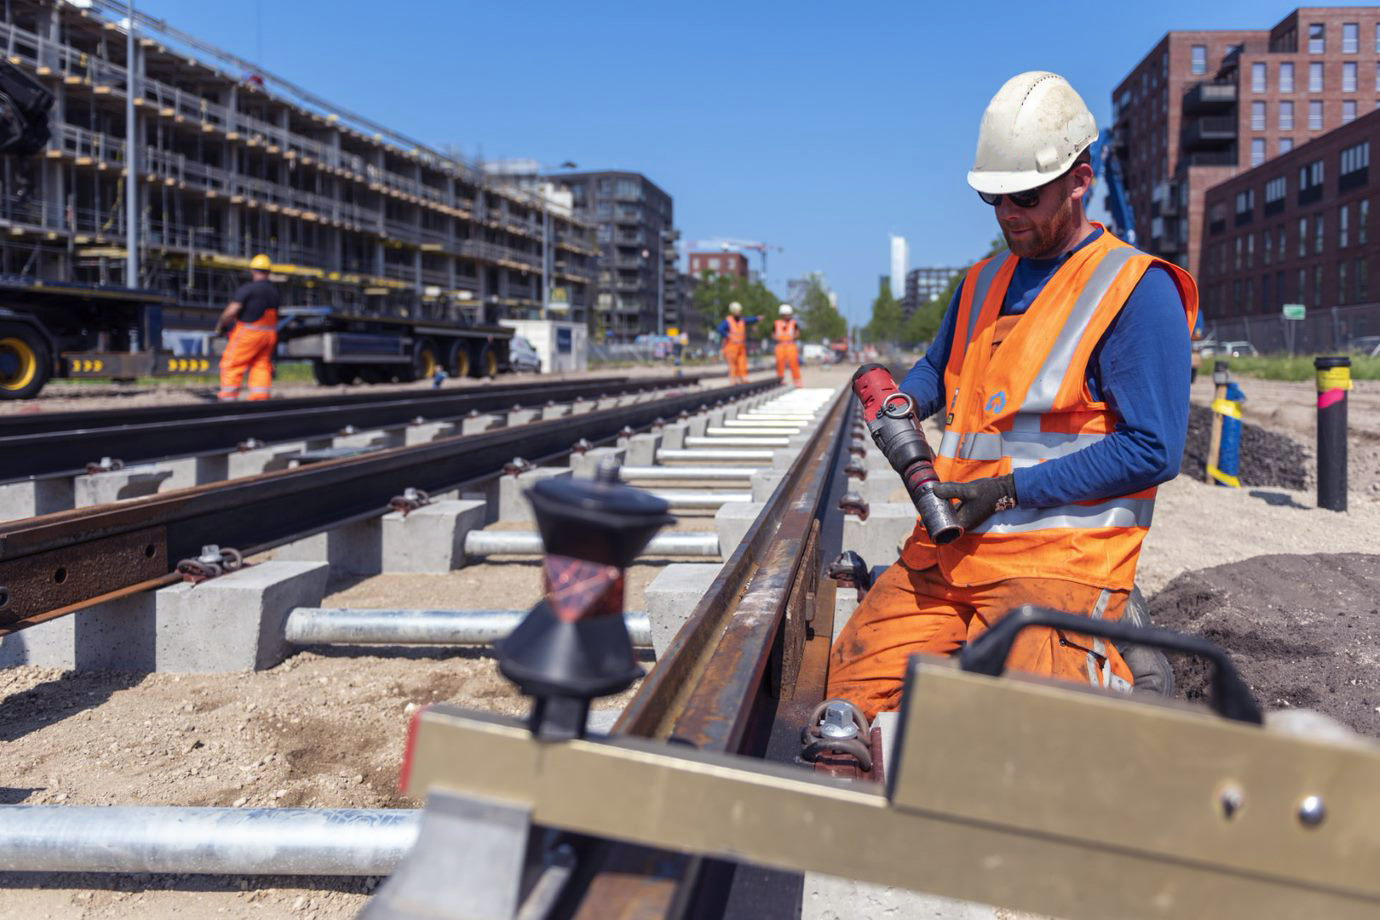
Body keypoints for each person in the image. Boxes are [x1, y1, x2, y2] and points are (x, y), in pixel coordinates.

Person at [828, 71, 1198, 719]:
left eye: (1024, 198)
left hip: (1059, 565)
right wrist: (908, 404)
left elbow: (1154, 449)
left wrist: (1003, 493)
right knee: (847, 698)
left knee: (1024, 734)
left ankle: (1118, 667)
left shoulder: (1136, 291)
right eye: (992, 200)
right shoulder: (982, 281)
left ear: (1081, 179)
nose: (1007, 216)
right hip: (950, 554)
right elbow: (938, 370)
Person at [215, 253, 281, 401]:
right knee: (261, 364)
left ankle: (228, 396)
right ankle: (260, 396)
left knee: (231, 363)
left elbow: (232, 310)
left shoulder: (249, 289)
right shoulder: (274, 291)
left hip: (249, 333)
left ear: (253, 270)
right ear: (269, 271)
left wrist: (221, 323)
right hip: (269, 335)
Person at [716, 301, 761, 383]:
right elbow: (720, 329)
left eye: (739, 311)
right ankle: (733, 380)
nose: (739, 313)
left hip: (741, 346)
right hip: (731, 346)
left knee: (742, 362)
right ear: (733, 311)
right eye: (738, 311)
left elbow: (749, 320)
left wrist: (756, 318)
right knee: (733, 364)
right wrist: (727, 335)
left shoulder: (742, 320)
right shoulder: (727, 321)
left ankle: (743, 378)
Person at [772, 303, 803, 386]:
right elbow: (773, 334)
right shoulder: (776, 323)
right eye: (787, 315)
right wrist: (777, 338)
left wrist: (793, 337)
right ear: (782, 315)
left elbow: (797, 333)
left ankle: (797, 381)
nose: (789, 316)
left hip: (790, 345)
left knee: (794, 363)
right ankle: (780, 380)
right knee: (780, 363)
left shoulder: (793, 323)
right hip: (780, 346)